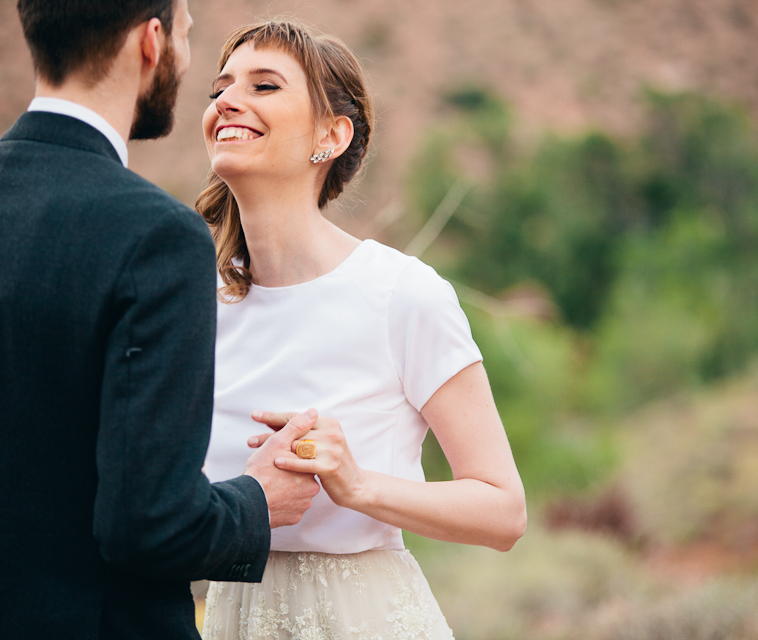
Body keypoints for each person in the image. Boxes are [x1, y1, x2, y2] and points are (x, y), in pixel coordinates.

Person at [0, 2, 321, 638]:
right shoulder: (157, 237)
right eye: (184, 34)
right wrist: (257, 501)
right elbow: (150, 526)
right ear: (151, 42)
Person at [196, 21, 528, 639]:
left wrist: (358, 485)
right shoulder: (191, 305)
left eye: (264, 85)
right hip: (232, 619)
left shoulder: (402, 294)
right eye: (220, 90)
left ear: (331, 135)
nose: (227, 102)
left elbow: (503, 511)